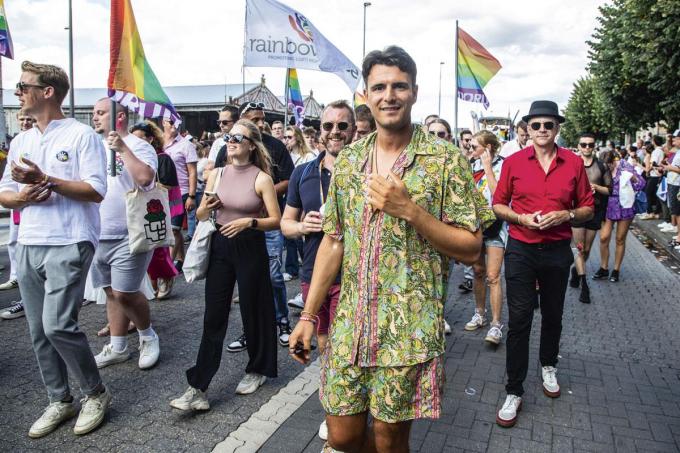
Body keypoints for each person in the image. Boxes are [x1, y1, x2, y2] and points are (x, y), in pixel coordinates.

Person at [288, 46, 489, 453]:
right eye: (379, 86)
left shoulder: (445, 161)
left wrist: (411, 211)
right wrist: (309, 315)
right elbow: (333, 239)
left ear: (415, 92)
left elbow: (471, 248)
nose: (389, 95)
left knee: (389, 441)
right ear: (366, 95)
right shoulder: (350, 161)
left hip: (408, 332)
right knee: (342, 436)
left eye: (399, 86)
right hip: (350, 324)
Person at [0, 61, 111, 437]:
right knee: (37, 330)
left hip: (70, 239)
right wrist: (20, 198)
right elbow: (5, 193)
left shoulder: (82, 136)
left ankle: (95, 392)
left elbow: (96, 190)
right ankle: (59, 400)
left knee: (58, 325)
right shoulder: (21, 140)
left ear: (48, 92)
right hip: (30, 242)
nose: (17, 92)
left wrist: (45, 178)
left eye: (23, 85)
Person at [492, 100, 594, 428]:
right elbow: (498, 204)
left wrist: (565, 214)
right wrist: (521, 217)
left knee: (553, 314)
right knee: (519, 319)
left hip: (556, 251)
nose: (542, 131)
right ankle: (514, 390)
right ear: (527, 128)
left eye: (548, 125)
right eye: (536, 125)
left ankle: (548, 364)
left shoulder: (574, 163)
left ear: (557, 128)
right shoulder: (514, 162)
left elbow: (589, 208)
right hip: (521, 248)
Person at [170, 119, 280, 410]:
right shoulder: (216, 174)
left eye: (237, 137)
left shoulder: (261, 178)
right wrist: (207, 206)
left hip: (249, 245)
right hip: (221, 245)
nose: (230, 140)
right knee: (214, 314)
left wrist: (250, 222)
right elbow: (203, 215)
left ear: (251, 145)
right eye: (228, 136)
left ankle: (257, 368)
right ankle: (198, 387)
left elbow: (276, 220)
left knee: (253, 310)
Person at [281, 100, 356, 441]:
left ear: (354, 130)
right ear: (319, 132)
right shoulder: (303, 173)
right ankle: (336, 404)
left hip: (354, 274)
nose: (335, 132)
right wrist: (303, 227)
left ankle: (347, 410)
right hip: (313, 272)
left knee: (346, 347)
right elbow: (285, 223)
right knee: (326, 346)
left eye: (343, 125)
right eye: (329, 126)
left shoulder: (364, 171)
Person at [216, 102, 295, 350]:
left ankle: (282, 321)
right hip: (234, 231)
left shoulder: (275, 145)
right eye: (256, 119)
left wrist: (262, 194)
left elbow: (289, 179)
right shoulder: (229, 148)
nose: (262, 123)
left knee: (273, 277)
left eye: (263, 118)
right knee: (246, 284)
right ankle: (249, 331)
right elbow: (221, 179)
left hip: (265, 222)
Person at [89, 99, 160, 370]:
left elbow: (145, 179)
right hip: (98, 232)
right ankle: (118, 346)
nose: (95, 117)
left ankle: (147, 336)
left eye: (100, 113)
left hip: (130, 233)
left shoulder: (140, 146)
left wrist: (122, 148)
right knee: (110, 292)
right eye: (94, 113)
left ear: (119, 117)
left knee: (125, 292)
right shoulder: (95, 146)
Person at [130, 121, 181, 299]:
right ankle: (150, 283)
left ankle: (166, 277)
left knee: (158, 248)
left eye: (140, 139)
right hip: (136, 209)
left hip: (156, 208)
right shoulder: (128, 158)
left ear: (150, 139)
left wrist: (150, 184)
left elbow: (169, 184)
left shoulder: (162, 158)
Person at [465, 130, 506, 345]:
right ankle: (480, 313)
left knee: (493, 275)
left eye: (474, 147)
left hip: (497, 227)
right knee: (478, 272)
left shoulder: (504, 165)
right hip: (475, 226)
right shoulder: (469, 165)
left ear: (488, 148)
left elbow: (498, 195)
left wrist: (488, 166)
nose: (470, 150)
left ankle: (496, 324)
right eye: (469, 146)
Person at [0, 110, 35, 320]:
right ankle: (22, 293)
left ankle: (27, 300)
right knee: (16, 246)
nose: (24, 122)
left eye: (28, 119)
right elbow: (6, 183)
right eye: (21, 119)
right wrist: (15, 197)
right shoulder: (18, 143)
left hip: (40, 210)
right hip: (20, 207)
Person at [569, 133, 611, 303]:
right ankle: (584, 285)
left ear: (594, 146)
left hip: (595, 211)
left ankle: (576, 271)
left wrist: (596, 187)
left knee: (585, 250)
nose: (587, 148)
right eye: (584, 144)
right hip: (577, 212)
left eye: (590, 145)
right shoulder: (571, 165)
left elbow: (610, 190)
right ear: (578, 146)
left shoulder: (601, 167)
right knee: (578, 249)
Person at [594, 151, 646, 282]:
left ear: (613, 162)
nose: (607, 168)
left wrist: (633, 179)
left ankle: (616, 270)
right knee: (604, 237)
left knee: (620, 239)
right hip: (608, 206)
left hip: (625, 206)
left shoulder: (624, 165)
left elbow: (641, 184)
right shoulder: (601, 168)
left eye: (609, 165)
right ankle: (604, 267)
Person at [163, 118, 198, 273]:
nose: (173, 125)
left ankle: (168, 266)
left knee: (174, 229)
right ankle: (181, 259)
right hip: (162, 192)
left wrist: (191, 195)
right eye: (169, 121)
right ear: (163, 123)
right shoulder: (159, 144)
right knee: (169, 230)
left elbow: (192, 172)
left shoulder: (186, 144)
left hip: (181, 192)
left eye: (176, 122)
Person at [282, 125, 316, 283]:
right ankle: (292, 269)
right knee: (289, 236)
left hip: (302, 200)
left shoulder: (308, 157)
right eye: (285, 137)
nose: (287, 140)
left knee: (302, 237)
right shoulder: (286, 155)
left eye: (289, 137)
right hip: (288, 197)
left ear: (297, 138)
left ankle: (308, 266)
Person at [661, 130, 680, 249]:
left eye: (675, 139)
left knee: (678, 212)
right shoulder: (677, 152)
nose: (673, 141)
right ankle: (678, 236)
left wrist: (668, 167)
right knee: (676, 212)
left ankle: (679, 238)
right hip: (673, 183)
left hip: (677, 184)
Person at [639, 135, 665, 219]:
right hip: (656, 174)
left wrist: (648, 171)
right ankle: (656, 212)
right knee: (655, 194)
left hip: (654, 175)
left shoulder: (656, 151)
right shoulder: (661, 150)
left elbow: (653, 163)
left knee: (648, 192)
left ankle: (650, 212)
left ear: (654, 141)